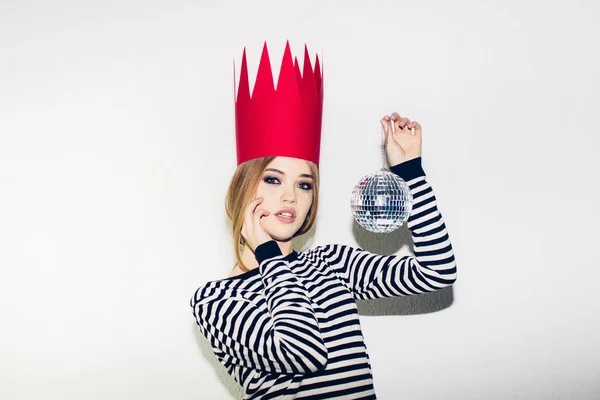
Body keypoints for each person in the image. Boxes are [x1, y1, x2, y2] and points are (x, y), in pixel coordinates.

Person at [190, 41, 457, 399]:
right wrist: (269, 257)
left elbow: (437, 272)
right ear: (243, 187)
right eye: (272, 179)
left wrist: (409, 170)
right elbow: (304, 351)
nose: (290, 196)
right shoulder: (216, 300)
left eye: (305, 184)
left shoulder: (331, 263)